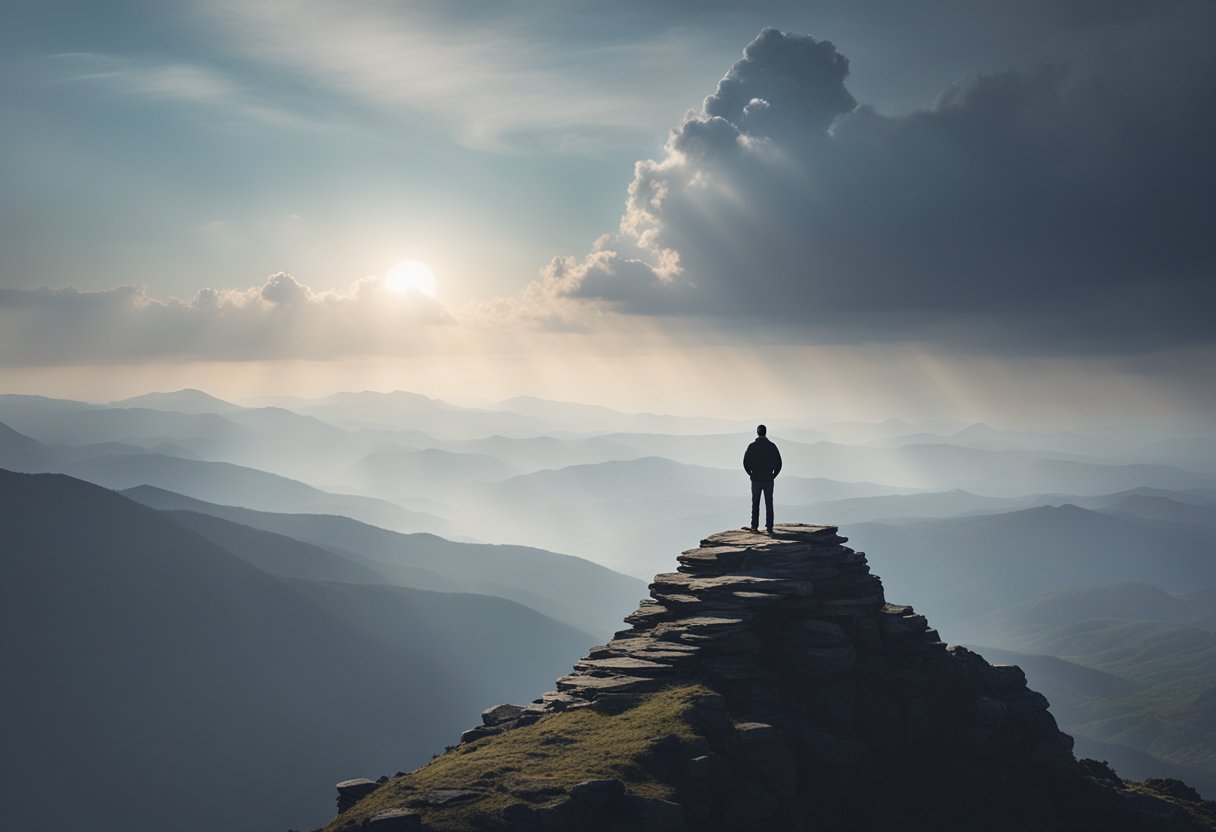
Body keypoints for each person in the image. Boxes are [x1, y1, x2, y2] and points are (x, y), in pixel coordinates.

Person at [743, 424, 782, 533]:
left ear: (757, 432)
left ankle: (754, 526)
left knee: (755, 503)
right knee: (769, 503)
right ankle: (769, 527)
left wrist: (751, 474)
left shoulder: (752, 446)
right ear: (765, 432)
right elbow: (779, 463)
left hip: (756, 479)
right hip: (768, 479)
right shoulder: (772, 446)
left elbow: (745, 462)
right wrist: (773, 475)